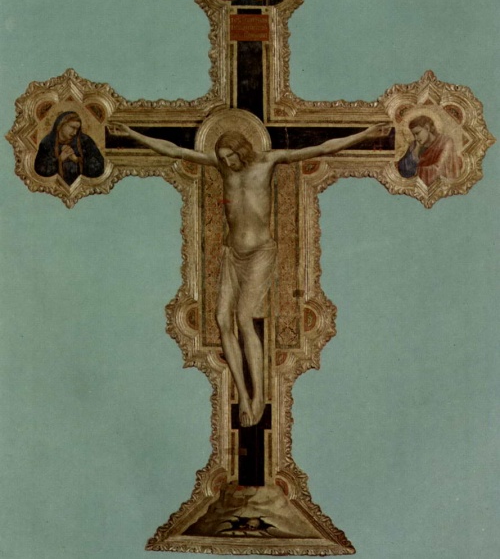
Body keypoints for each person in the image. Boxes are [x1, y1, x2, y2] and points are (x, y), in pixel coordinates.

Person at [111, 120, 390, 427]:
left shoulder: (268, 161)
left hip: (260, 253)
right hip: (232, 253)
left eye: (231, 156)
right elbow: (174, 150)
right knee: (222, 319)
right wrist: (132, 134)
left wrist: (366, 134)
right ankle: (243, 395)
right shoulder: (222, 166)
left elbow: (322, 148)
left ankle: (259, 396)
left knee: (244, 318)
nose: (228, 163)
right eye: (223, 158)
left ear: (242, 149)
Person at [34, 111, 105, 186]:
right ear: (61, 125)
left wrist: (77, 160)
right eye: (72, 127)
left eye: (77, 129)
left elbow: (100, 167)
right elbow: (40, 170)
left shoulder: (85, 141)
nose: (75, 132)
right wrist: (59, 160)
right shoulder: (47, 142)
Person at [397, 115, 462, 186]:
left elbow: (439, 170)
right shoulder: (414, 145)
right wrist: (416, 150)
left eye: (417, 133)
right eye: (413, 135)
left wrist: (415, 170)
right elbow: (402, 169)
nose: (416, 138)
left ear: (427, 128)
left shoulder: (445, 142)